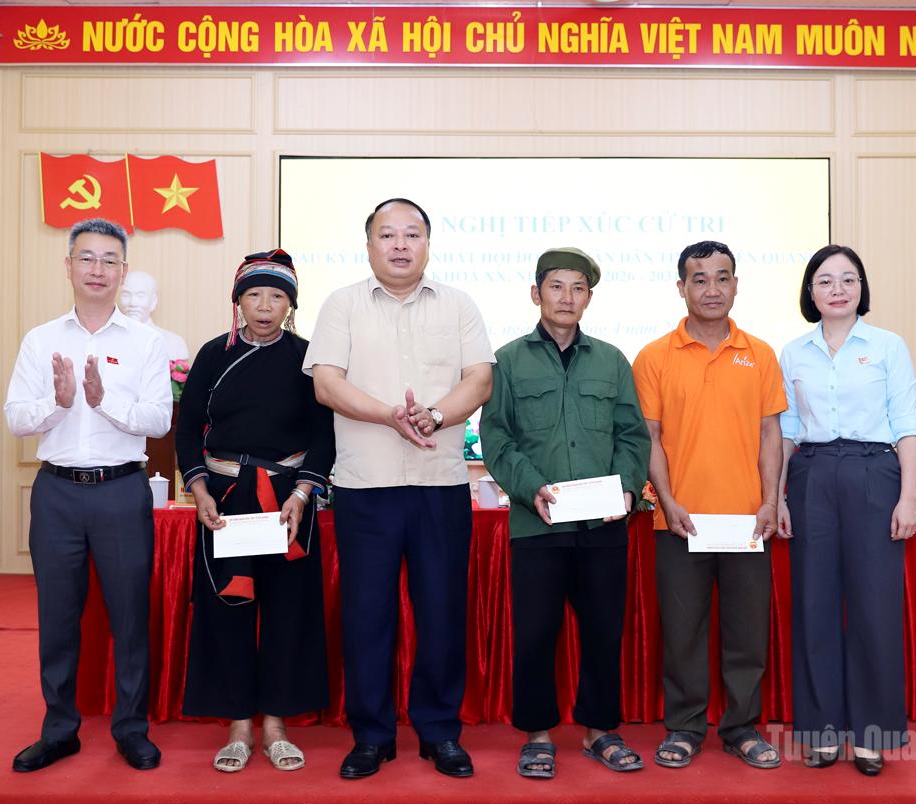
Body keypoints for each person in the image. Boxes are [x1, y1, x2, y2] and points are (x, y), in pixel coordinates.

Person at [303, 198, 494, 779]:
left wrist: (433, 416)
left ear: (428, 244)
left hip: (439, 485)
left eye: (412, 234)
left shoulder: (458, 304)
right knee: (367, 616)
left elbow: (480, 379)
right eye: (388, 235)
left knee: (442, 613)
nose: (401, 245)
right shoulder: (342, 304)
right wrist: (389, 415)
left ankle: (439, 732)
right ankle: (372, 736)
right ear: (369, 246)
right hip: (367, 487)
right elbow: (327, 384)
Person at [4, 217, 172, 772]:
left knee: (129, 618)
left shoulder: (147, 342)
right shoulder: (41, 339)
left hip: (121, 492)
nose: (97, 269)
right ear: (69, 266)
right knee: (57, 618)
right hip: (56, 493)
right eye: (87, 258)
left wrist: (103, 402)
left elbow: (158, 417)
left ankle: (131, 729)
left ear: (123, 270)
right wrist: (58, 403)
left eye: (109, 260)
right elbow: (16, 418)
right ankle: (59, 730)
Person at [480, 247, 650, 779]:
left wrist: (627, 490)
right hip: (538, 522)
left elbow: (632, 435)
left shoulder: (612, 360)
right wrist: (532, 488)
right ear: (536, 293)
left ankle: (600, 731)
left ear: (589, 298)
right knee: (535, 633)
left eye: (578, 288)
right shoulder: (507, 361)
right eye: (556, 286)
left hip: (604, 523)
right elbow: (497, 438)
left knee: (604, 630)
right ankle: (537, 735)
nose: (567, 297)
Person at [174, 249, 335, 773]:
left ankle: (277, 727)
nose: (265, 306)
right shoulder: (212, 354)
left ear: (291, 305)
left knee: (289, 613)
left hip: (288, 500)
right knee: (228, 610)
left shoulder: (308, 357)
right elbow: (187, 428)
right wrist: (198, 490)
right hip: (225, 500)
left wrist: (303, 493)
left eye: (277, 296)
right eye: (254, 295)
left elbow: (324, 434)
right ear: (238, 302)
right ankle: (240, 724)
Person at [632, 240, 785, 771]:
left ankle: (742, 727)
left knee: (747, 633)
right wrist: (667, 501)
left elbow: (770, 434)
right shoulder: (654, 357)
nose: (712, 289)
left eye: (722, 278)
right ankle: (685, 727)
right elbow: (650, 438)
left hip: (747, 522)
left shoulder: (759, 354)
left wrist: (770, 501)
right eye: (700, 279)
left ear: (736, 285)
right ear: (682, 288)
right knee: (683, 633)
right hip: (680, 522)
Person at [775, 245, 916, 777]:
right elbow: (788, 431)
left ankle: (871, 735)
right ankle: (820, 732)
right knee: (813, 605)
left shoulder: (888, 346)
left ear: (862, 287)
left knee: (873, 609)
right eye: (825, 280)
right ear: (810, 292)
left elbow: (907, 424)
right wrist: (777, 496)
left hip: (873, 474)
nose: (837, 289)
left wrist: (908, 497)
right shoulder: (793, 352)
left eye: (848, 278)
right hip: (811, 476)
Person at [119, 270, 191, 363]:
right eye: (126, 295)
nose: (133, 303)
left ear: (153, 301)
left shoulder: (175, 343)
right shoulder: (107, 339)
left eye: (140, 296)